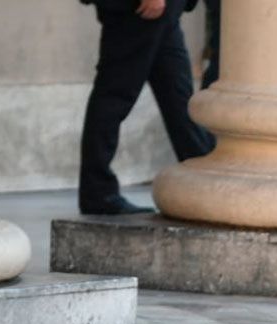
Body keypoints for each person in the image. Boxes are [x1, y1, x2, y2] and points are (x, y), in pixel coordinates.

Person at [77, 0, 214, 214]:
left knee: (179, 100)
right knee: (114, 97)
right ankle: (97, 193)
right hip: (141, 10)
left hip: (164, 12)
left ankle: (205, 181)